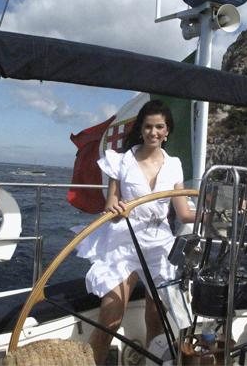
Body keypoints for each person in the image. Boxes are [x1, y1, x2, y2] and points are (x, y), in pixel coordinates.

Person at [75, 100, 195, 364]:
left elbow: (184, 213)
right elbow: (110, 207)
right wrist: (115, 208)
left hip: (160, 244)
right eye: (148, 126)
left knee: (157, 319)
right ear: (141, 129)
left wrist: (218, 211)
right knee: (110, 318)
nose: (153, 132)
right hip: (124, 241)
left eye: (159, 127)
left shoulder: (174, 164)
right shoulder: (120, 161)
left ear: (167, 131)